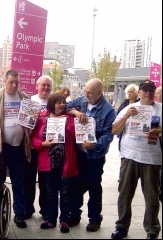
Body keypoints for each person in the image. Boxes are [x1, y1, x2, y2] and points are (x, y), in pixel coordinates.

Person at [110, 80, 162, 240]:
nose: (148, 93)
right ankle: (122, 226)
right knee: (125, 193)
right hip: (130, 156)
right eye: (145, 90)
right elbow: (114, 130)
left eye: (151, 90)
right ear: (139, 92)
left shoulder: (160, 109)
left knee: (152, 197)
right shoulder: (128, 108)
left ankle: (152, 229)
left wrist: (159, 131)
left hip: (152, 159)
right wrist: (126, 116)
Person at [0, 69, 31, 228]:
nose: (14, 85)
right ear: (4, 81)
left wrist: (33, 120)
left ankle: (19, 214)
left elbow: (30, 124)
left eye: (17, 82)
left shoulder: (25, 98)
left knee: (18, 181)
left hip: (18, 148)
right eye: (11, 82)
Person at [66, 78, 116, 232]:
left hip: (95, 155)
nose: (86, 94)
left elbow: (109, 134)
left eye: (89, 93)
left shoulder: (108, 110)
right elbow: (66, 106)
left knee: (94, 186)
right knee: (75, 185)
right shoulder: (81, 100)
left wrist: (95, 144)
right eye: (85, 91)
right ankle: (74, 214)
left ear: (100, 93)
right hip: (78, 152)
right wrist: (76, 112)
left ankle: (95, 218)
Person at [31, 92, 78, 233]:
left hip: (66, 162)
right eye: (58, 102)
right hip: (48, 162)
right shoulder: (42, 118)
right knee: (51, 193)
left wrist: (67, 125)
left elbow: (77, 136)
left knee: (65, 193)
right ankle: (51, 219)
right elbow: (33, 138)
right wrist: (42, 144)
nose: (62, 105)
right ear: (52, 104)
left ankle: (64, 220)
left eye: (63, 102)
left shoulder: (69, 118)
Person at [24, 75, 53, 220]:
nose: (46, 88)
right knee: (29, 180)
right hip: (31, 148)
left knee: (45, 181)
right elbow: (23, 123)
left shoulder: (54, 102)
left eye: (48, 85)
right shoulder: (30, 101)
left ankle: (45, 209)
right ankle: (28, 208)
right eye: (43, 85)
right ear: (37, 86)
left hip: (47, 150)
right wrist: (31, 118)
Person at [116, 84, 140, 151]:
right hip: (124, 130)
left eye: (131, 92)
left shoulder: (140, 104)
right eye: (128, 92)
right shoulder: (124, 104)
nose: (129, 93)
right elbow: (118, 116)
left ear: (136, 94)